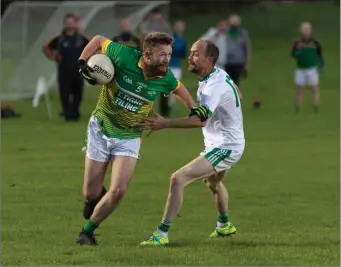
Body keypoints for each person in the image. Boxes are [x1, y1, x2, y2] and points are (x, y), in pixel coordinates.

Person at [76, 32, 197, 245]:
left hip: (130, 135)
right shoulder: (123, 56)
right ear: (146, 55)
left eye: (169, 54)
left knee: (119, 190)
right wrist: (83, 63)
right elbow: (97, 40)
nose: (167, 59)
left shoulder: (164, 77)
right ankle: (95, 196)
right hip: (101, 127)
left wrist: (194, 108)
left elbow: (178, 88)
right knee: (90, 192)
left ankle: (87, 232)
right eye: (161, 54)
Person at [140, 40, 245, 245]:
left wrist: (165, 123)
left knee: (178, 179)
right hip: (223, 142)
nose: (190, 57)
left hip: (226, 146)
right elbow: (237, 92)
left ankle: (161, 234)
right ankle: (224, 226)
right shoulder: (217, 75)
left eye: (195, 54)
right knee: (212, 181)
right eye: (190, 53)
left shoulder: (214, 85)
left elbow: (200, 120)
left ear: (209, 60)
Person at [43, 13, 89, 121]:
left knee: (78, 94)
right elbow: (46, 47)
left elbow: (92, 46)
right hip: (64, 71)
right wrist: (54, 57)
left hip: (78, 70)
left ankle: (75, 112)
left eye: (71, 23)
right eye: (67, 23)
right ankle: (68, 115)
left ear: (74, 24)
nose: (69, 25)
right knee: (65, 94)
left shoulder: (81, 39)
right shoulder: (59, 39)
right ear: (65, 24)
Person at [292, 21, 324, 113]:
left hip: (311, 69)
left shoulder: (315, 43)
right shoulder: (297, 43)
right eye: (304, 30)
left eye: (308, 29)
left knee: (314, 88)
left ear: (310, 31)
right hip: (300, 69)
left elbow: (320, 55)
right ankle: (297, 108)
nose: (306, 31)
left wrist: (321, 65)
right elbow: (294, 55)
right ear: (301, 31)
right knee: (300, 89)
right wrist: (298, 50)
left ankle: (316, 108)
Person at [161, 20, 187, 117]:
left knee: (175, 88)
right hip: (169, 65)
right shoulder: (171, 39)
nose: (180, 29)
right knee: (168, 87)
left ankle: (169, 104)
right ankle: (166, 106)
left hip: (177, 66)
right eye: (178, 26)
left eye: (181, 27)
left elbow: (183, 53)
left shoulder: (183, 39)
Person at [225, 14, 251, 98]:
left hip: (238, 62)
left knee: (235, 83)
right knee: (225, 83)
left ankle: (235, 101)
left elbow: (247, 49)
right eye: (232, 21)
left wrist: (247, 64)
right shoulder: (225, 32)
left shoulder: (243, 33)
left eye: (236, 22)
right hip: (226, 62)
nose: (234, 23)